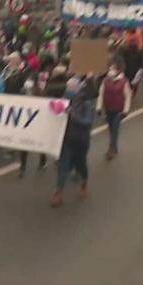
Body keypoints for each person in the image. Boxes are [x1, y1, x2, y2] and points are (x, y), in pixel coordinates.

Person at [52, 77, 94, 208]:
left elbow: (87, 122)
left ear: (77, 88)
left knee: (81, 164)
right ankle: (58, 193)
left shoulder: (85, 103)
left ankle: (84, 184)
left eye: (71, 88)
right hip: (67, 139)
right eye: (67, 88)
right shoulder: (63, 101)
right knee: (63, 166)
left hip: (81, 140)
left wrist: (72, 114)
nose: (68, 90)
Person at [97, 65, 132, 160]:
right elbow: (101, 94)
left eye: (113, 69)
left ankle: (111, 149)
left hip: (118, 110)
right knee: (111, 128)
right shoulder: (105, 81)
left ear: (117, 71)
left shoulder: (123, 82)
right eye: (110, 69)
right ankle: (114, 146)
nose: (111, 71)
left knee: (115, 129)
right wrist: (99, 107)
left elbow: (127, 96)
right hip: (108, 109)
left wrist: (126, 110)